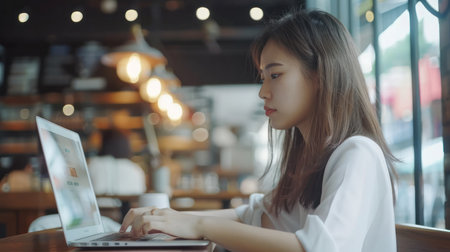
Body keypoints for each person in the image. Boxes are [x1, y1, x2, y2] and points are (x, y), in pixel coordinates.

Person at [119, 9, 398, 252]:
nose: (263, 92)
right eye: (263, 78)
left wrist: (198, 224)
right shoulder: (311, 159)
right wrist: (169, 218)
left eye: (275, 75)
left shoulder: (357, 153)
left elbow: (319, 249)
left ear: (320, 75)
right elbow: (256, 215)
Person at [88, 129, 146, 195]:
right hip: (132, 205)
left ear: (105, 144)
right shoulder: (136, 169)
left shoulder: (95, 164)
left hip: (99, 205)